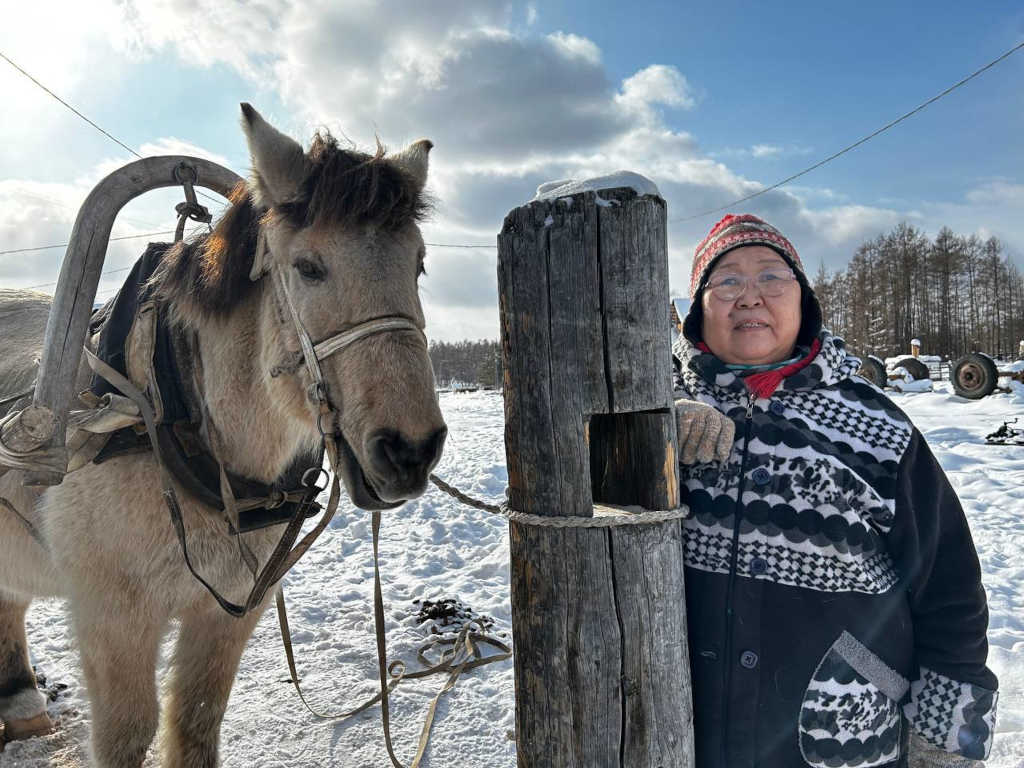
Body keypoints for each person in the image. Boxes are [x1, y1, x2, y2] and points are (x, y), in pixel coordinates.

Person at [671, 214, 998, 768]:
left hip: (837, 735)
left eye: (772, 277)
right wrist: (642, 438)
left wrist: (948, 734)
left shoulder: (877, 428)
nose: (749, 297)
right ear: (699, 309)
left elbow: (949, 586)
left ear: (805, 302)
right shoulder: (654, 410)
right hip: (679, 730)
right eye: (726, 281)